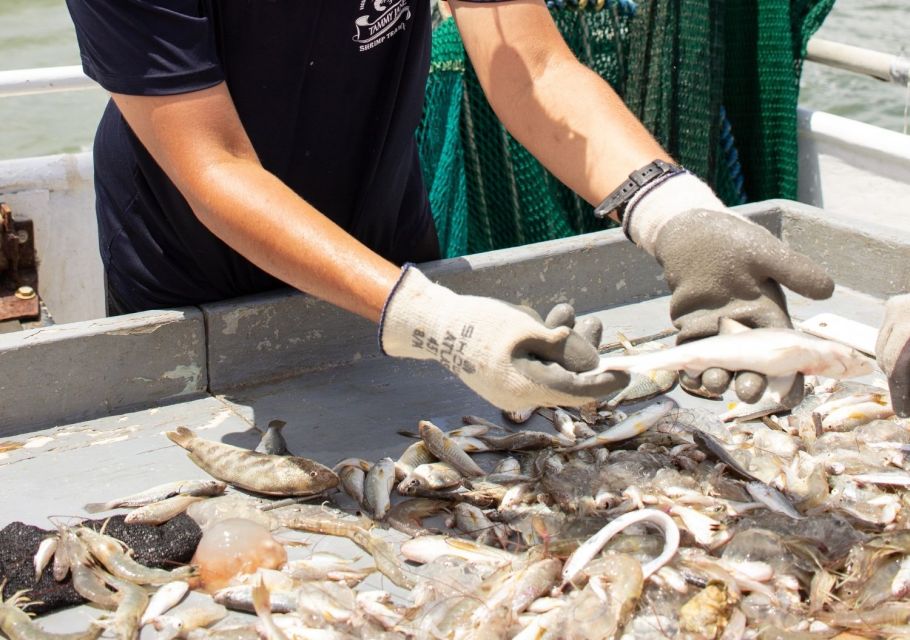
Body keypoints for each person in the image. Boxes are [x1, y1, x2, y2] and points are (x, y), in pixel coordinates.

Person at [64, 0, 834, 413]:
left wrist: (675, 212)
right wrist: (435, 321)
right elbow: (215, 167)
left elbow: (530, 66)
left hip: (383, 224)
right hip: (190, 264)